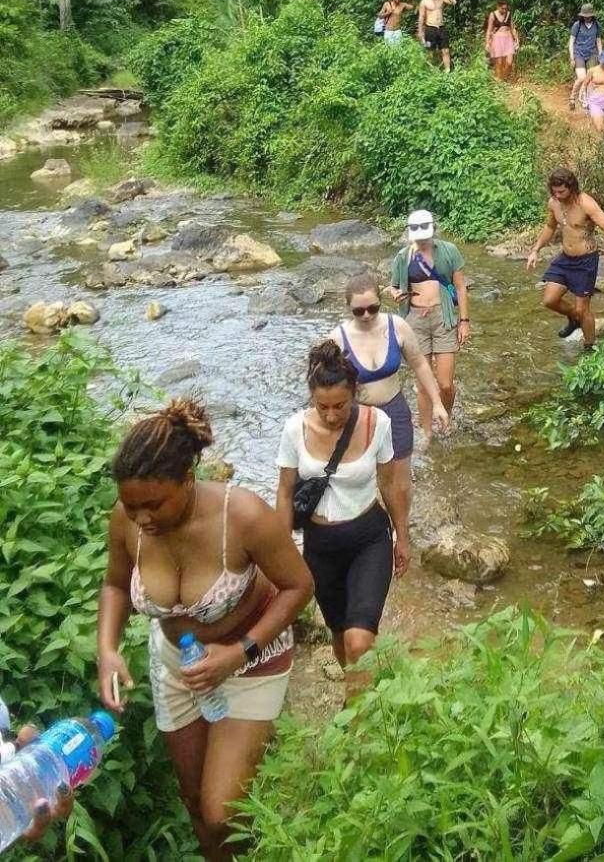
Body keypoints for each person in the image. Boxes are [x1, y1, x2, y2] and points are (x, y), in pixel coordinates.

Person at [97, 400, 313, 862]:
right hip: (178, 667)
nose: (141, 519)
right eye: (132, 507)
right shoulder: (128, 520)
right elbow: (115, 584)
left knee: (221, 812)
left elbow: (300, 587)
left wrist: (240, 651)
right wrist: (107, 649)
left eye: (153, 504)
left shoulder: (245, 516)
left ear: (188, 479)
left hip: (251, 661)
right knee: (194, 800)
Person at [276, 342, 408, 698]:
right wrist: (281, 550)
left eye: (340, 406)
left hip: (369, 538)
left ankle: (354, 724)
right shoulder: (294, 430)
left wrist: (403, 538)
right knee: (339, 638)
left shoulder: (376, 423)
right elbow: (285, 493)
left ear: (354, 395)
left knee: (360, 640)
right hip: (321, 547)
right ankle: (362, 694)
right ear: (311, 398)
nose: (332, 415)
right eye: (323, 407)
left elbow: (390, 483)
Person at [331, 270, 450, 494]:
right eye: (359, 311)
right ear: (349, 308)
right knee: (367, 478)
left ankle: (400, 527)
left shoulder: (397, 326)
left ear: (380, 302)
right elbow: (323, 386)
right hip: (359, 416)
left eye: (373, 308)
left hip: (394, 411)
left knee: (400, 479)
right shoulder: (338, 339)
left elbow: (420, 365)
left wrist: (437, 403)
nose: (366, 315)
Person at [388, 212, 468, 448]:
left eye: (426, 235)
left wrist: (464, 321)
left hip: (443, 317)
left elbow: (461, 288)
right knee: (423, 383)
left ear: (433, 230)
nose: (422, 241)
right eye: (418, 236)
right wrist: (395, 294)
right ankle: (427, 432)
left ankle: (445, 416)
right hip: (415, 320)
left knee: (445, 383)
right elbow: (393, 287)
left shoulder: (449, 251)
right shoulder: (403, 257)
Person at [526, 169, 604, 346]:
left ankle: (589, 346)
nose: (558, 195)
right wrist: (535, 250)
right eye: (554, 192)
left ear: (571, 187)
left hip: (585, 261)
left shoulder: (586, 203)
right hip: (565, 259)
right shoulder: (554, 203)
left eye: (561, 191)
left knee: (583, 309)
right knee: (549, 300)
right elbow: (550, 227)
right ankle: (573, 317)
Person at [567, 4, 603, 112]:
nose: (587, 17)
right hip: (579, 53)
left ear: (592, 15)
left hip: (592, 53)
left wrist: (600, 55)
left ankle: (587, 100)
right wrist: (572, 57)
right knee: (582, 77)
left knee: (591, 78)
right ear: (582, 16)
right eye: (585, 16)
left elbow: (598, 41)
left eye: (589, 15)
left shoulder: (597, 25)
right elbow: (571, 42)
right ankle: (572, 97)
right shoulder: (577, 25)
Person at [418, 0, 457, 71]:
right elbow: (421, 17)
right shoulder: (424, 2)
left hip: (441, 28)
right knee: (430, 51)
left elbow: (454, 2)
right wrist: (420, 32)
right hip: (430, 29)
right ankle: (431, 71)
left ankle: (447, 71)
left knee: (446, 50)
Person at [484, 0, 520, 81]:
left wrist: (516, 39)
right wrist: (487, 43)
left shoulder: (508, 14)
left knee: (509, 62)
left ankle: (503, 78)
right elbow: (489, 30)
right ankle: (499, 81)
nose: (504, 10)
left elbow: (512, 28)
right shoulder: (493, 15)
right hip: (497, 40)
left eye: (505, 8)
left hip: (508, 39)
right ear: (498, 6)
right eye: (502, 8)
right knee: (499, 63)